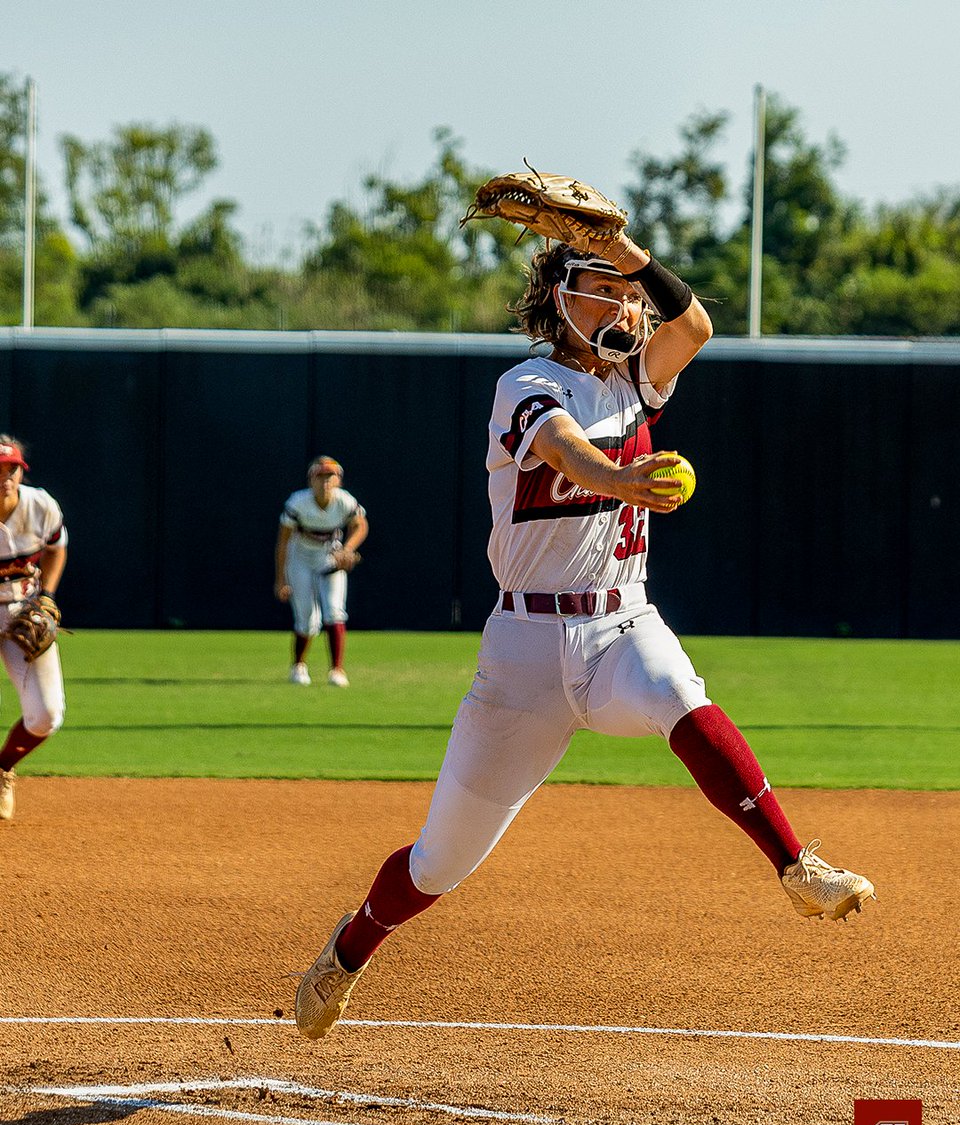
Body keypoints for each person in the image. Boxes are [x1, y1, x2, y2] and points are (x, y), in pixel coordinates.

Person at [293, 230, 876, 1040]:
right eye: (606, 289)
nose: (627, 306)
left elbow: (696, 326)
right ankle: (349, 950)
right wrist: (621, 479)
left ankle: (794, 865)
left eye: (631, 293)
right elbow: (564, 450)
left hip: (620, 622)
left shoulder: (638, 379)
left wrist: (629, 252)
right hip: (524, 651)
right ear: (561, 296)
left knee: (678, 694)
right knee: (440, 862)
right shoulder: (525, 382)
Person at [0, 436, 68, 820]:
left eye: (12, 468)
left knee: (46, 715)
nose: (5, 477)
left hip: (23, 608)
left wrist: (49, 596)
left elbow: (56, 547)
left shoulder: (40, 505)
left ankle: (2, 768)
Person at [274, 455, 368, 688]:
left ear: (339, 480)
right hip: (300, 558)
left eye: (330, 476)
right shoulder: (298, 502)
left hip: (329, 557)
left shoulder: (344, 501)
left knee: (335, 610)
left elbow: (360, 525)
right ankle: (299, 665)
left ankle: (337, 669)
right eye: (320, 476)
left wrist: (347, 550)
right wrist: (280, 579)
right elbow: (283, 541)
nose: (325, 482)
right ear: (311, 481)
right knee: (306, 617)